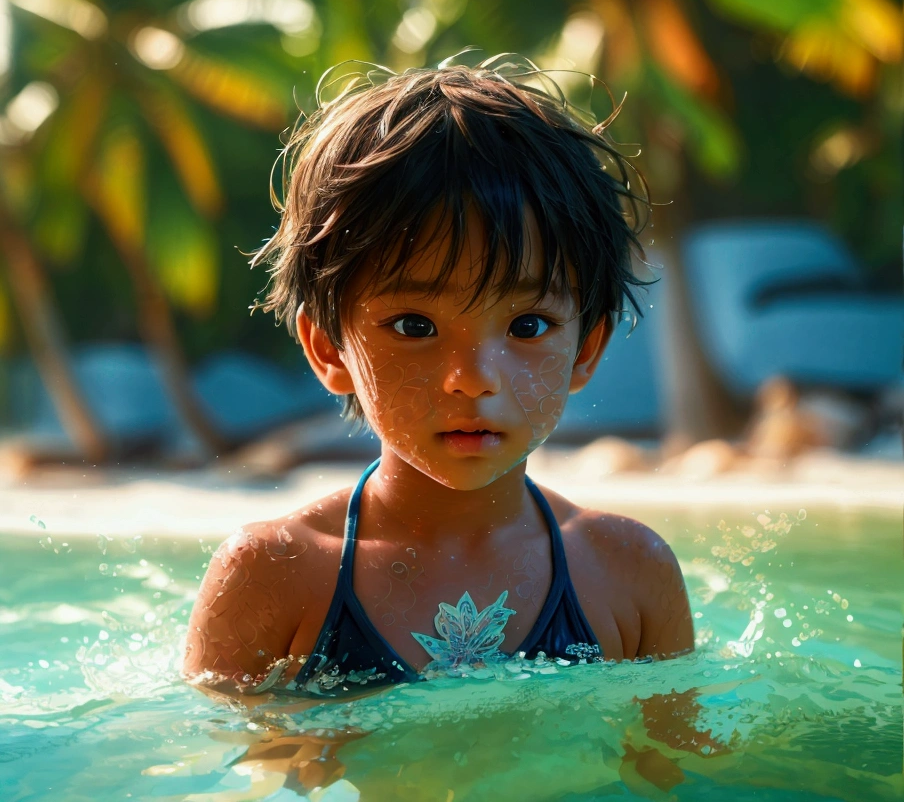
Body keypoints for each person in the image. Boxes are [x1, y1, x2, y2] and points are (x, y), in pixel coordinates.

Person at [183, 55, 694, 698]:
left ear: (585, 351)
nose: (472, 379)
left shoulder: (627, 573)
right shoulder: (275, 574)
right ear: (329, 349)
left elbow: (673, 778)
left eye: (528, 326)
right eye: (415, 326)